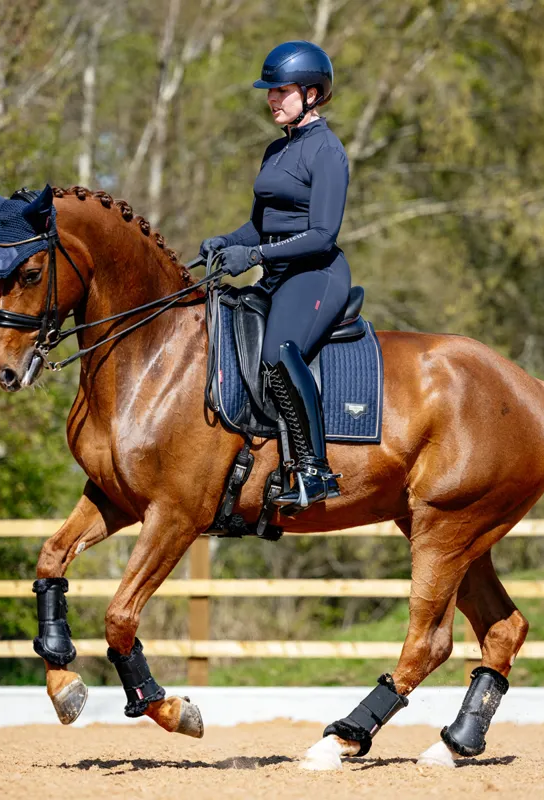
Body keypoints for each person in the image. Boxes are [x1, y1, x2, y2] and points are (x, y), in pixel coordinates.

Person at [200, 40, 351, 514]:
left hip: (316, 274)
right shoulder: (274, 150)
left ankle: (315, 470)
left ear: (312, 94)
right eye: (269, 91)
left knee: (278, 353)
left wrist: (257, 254)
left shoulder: (328, 151)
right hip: (277, 273)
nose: (271, 99)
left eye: (280, 90)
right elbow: (258, 224)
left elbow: (323, 235)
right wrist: (226, 242)